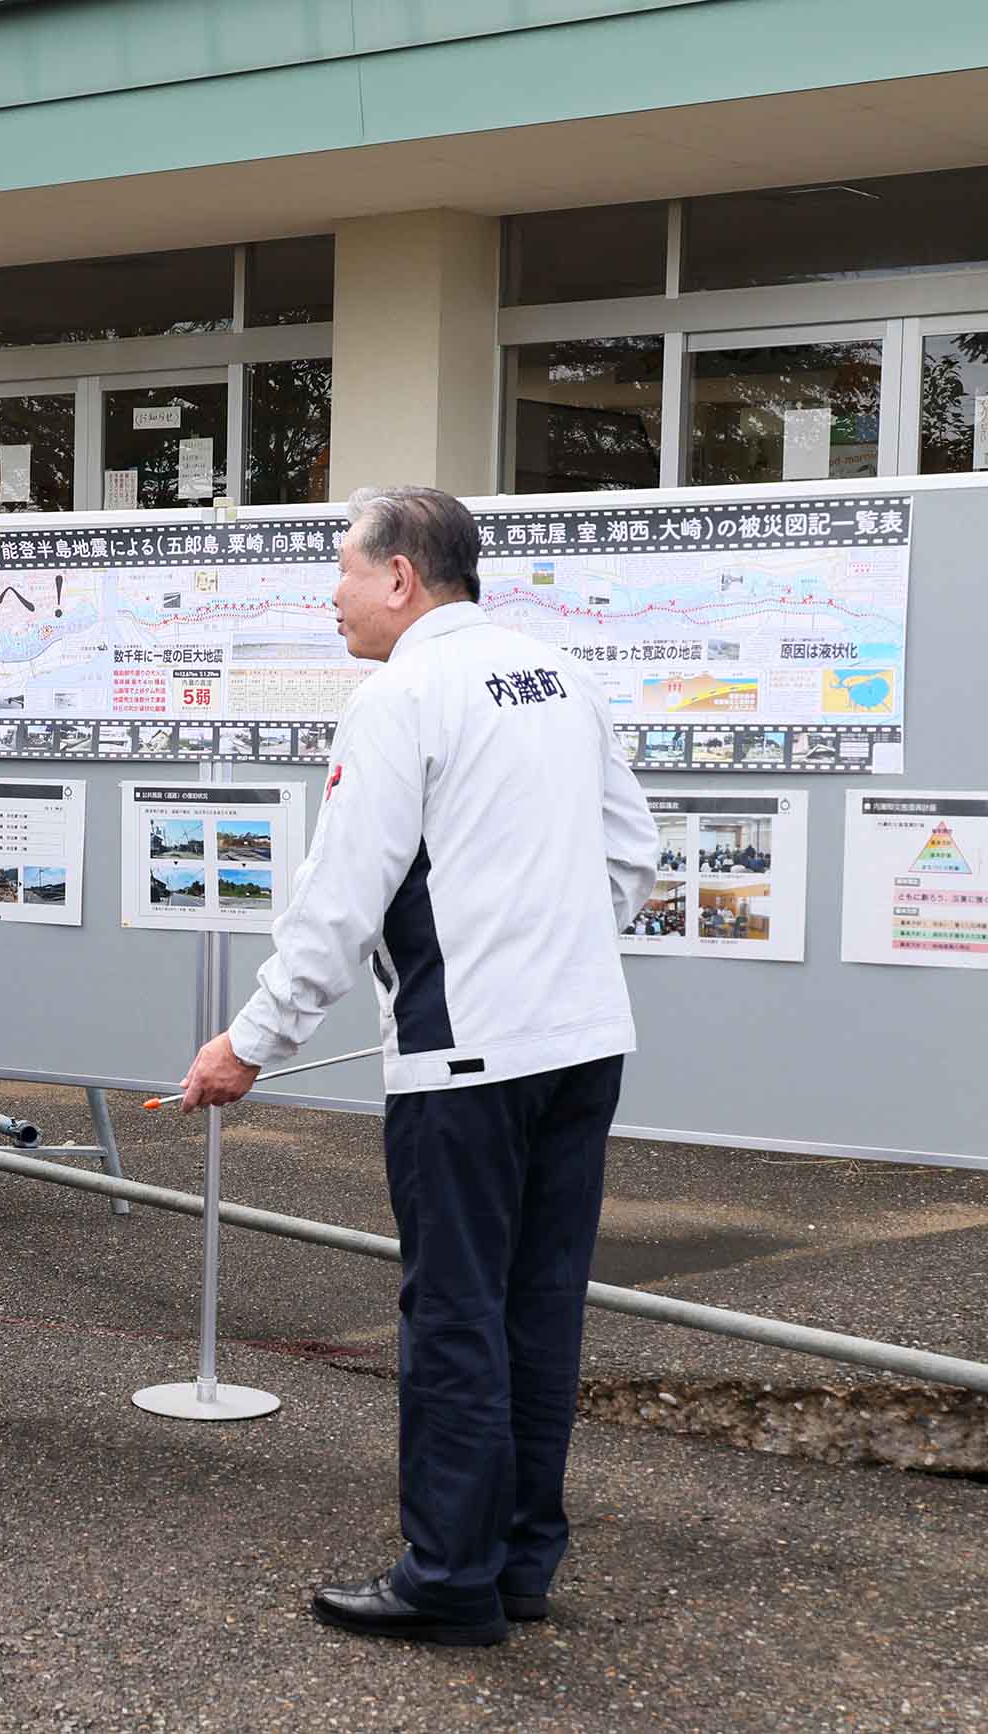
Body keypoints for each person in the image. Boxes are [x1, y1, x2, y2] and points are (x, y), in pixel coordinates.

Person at [177, 486, 658, 1648]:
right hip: (583, 1042)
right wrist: (552, 954)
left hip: (465, 1063)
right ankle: (518, 1564)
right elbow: (631, 856)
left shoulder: (403, 696)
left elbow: (336, 900)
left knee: (452, 1318)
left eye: (341, 571)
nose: (329, 596)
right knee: (536, 1312)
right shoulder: (556, 675)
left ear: (398, 578)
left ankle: (447, 1579)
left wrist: (248, 1046)